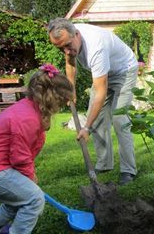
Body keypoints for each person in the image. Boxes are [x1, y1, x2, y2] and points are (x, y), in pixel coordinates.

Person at [0, 64, 73, 234]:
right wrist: (30, 176)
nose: (64, 105)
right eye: (63, 100)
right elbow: (19, 155)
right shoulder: (27, 118)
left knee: (16, 200)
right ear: (52, 98)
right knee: (34, 198)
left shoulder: (30, 109)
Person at [47, 18, 138, 185]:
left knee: (119, 119)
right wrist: (71, 89)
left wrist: (86, 128)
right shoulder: (69, 40)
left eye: (68, 46)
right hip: (104, 72)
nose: (66, 51)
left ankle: (128, 170)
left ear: (77, 34)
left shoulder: (96, 47)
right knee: (97, 118)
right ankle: (104, 164)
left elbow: (101, 92)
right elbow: (71, 65)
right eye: (60, 48)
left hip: (124, 71)